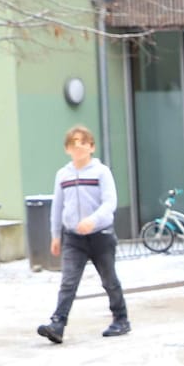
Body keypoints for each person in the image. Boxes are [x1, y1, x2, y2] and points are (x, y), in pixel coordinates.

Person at [37, 124, 130, 343]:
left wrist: (93, 219)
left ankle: (121, 319)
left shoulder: (101, 172)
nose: (78, 147)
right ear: (67, 149)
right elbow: (57, 207)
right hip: (73, 238)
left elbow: (110, 202)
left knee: (109, 279)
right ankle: (57, 324)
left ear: (91, 147)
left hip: (101, 235)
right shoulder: (63, 175)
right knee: (68, 282)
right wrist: (55, 235)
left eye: (82, 143)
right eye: (72, 144)